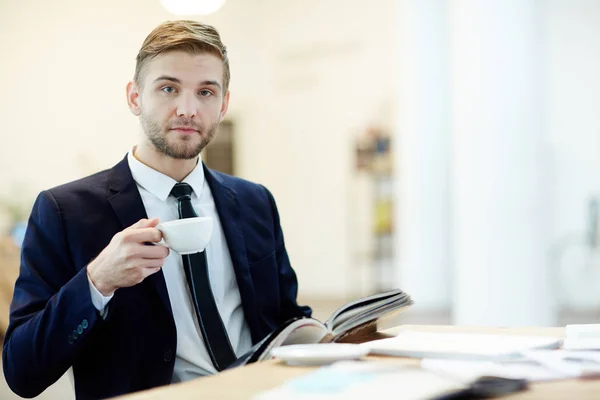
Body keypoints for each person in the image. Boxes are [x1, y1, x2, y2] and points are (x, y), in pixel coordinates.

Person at [2, 20, 311, 399]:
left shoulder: (254, 201)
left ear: (223, 104)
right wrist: (97, 281)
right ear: (135, 98)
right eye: (168, 88)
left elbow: (286, 318)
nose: (188, 109)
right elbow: (21, 372)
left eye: (206, 92)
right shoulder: (64, 211)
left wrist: (337, 337)